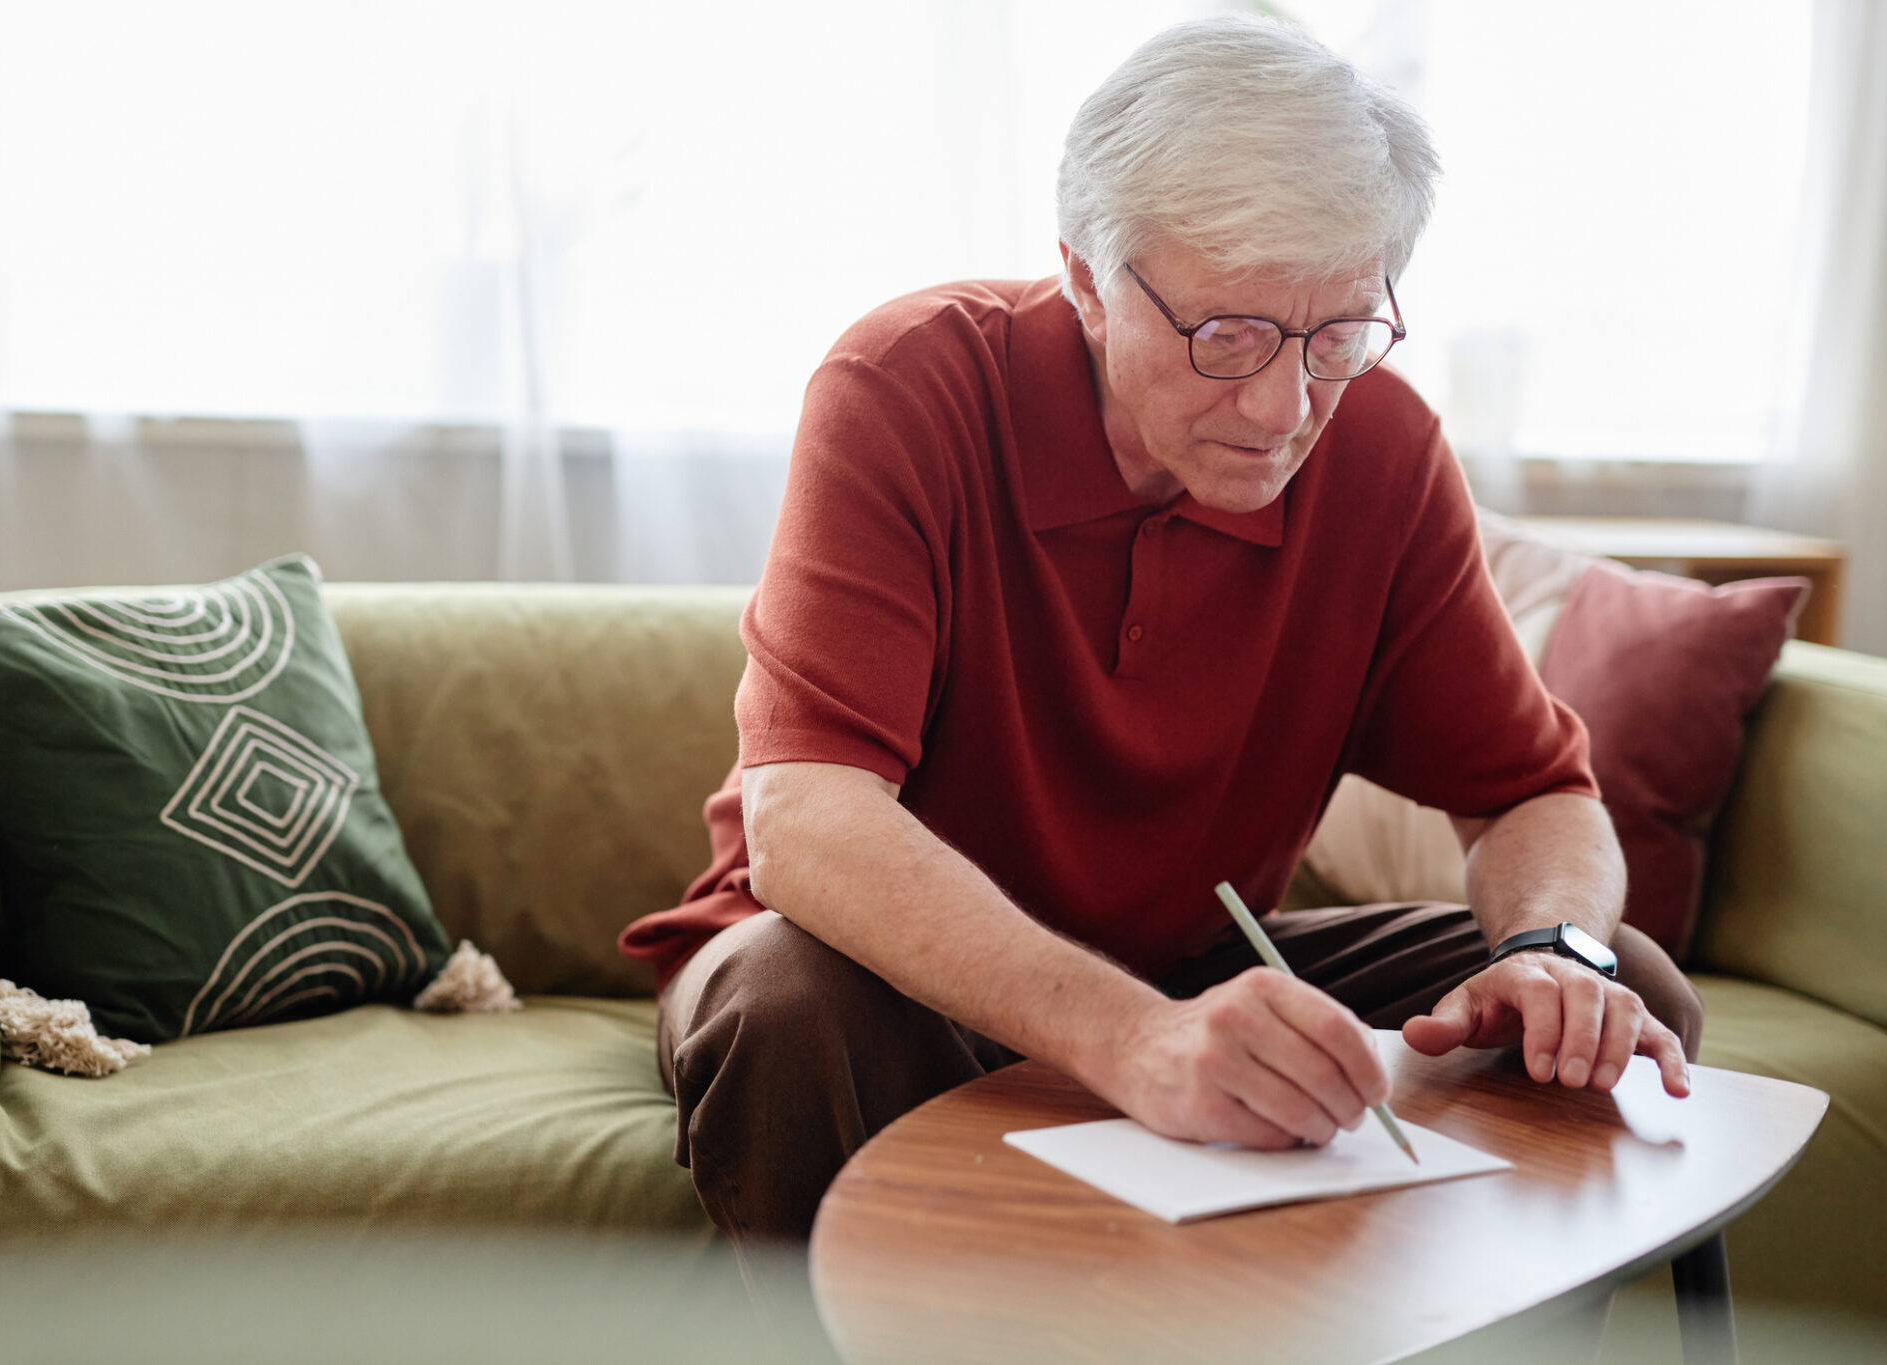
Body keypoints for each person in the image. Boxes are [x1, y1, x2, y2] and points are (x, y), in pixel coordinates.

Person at [618, 15, 1702, 1241]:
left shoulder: (1380, 447)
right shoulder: (904, 386)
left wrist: (1555, 950)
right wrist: (1130, 1039)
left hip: (1185, 971)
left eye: (1336, 333)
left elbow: (1534, 794)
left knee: (1614, 994)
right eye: (1226, 334)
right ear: (1085, 273)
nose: (1283, 408)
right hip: (874, 975)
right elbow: (804, 825)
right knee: (784, 1004)